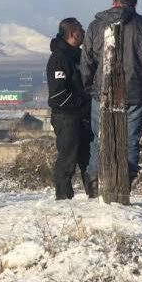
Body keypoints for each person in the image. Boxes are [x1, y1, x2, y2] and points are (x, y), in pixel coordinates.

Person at [80, 0, 142, 196]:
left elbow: (87, 62)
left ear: (114, 0)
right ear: (135, 3)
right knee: (130, 140)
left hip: (101, 93)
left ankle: (94, 183)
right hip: (137, 93)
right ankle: (123, 185)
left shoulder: (95, 26)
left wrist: (89, 87)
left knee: (99, 137)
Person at [47, 18, 93, 200]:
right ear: (74, 33)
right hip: (66, 117)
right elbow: (58, 95)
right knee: (67, 159)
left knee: (88, 160)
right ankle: (63, 197)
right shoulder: (59, 58)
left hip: (83, 117)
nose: (84, 33)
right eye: (81, 30)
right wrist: (82, 101)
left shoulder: (78, 56)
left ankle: (95, 195)